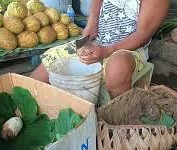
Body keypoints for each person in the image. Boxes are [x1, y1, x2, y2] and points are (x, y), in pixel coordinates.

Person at [30, 0, 169, 99]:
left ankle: (115, 118)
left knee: (118, 68)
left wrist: (108, 50)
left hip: (129, 49)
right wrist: (92, 23)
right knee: (53, 60)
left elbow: (142, 35)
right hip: (97, 41)